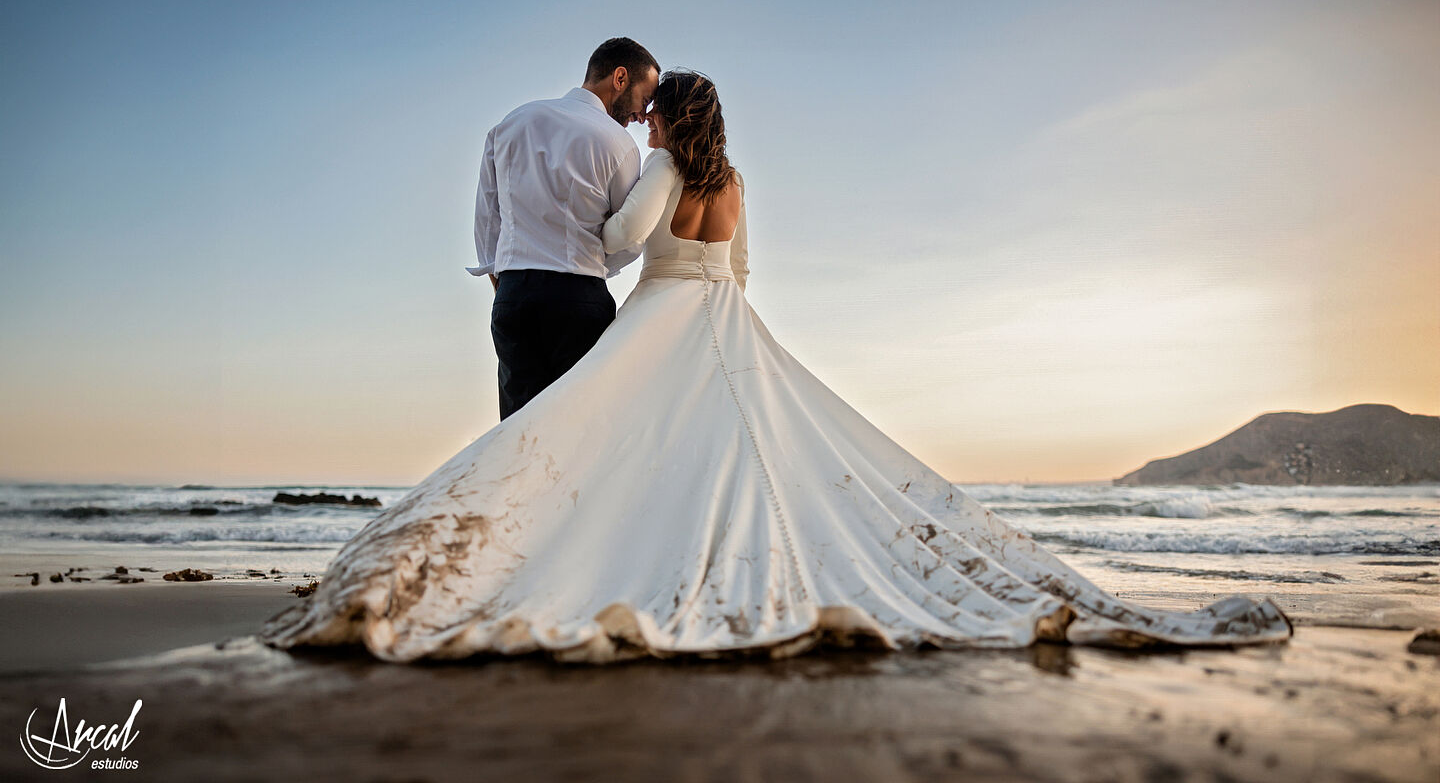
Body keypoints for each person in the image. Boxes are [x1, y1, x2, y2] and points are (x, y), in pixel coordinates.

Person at [261, 70, 1291, 663]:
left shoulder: (661, 167)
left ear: (669, 121)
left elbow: (624, 241)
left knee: (616, 443)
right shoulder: (737, 178)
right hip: (726, 316)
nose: (647, 120)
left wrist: (580, 228)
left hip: (665, 309)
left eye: (655, 113)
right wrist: (717, 300)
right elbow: (742, 271)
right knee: (748, 456)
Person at [466, 37, 659, 420]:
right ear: (620, 77)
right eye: (645, 97)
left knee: (517, 434)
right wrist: (589, 270)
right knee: (576, 431)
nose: (643, 114)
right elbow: (626, 237)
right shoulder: (619, 144)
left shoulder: (511, 123)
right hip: (577, 299)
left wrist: (504, 283)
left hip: (514, 297)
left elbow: (488, 218)